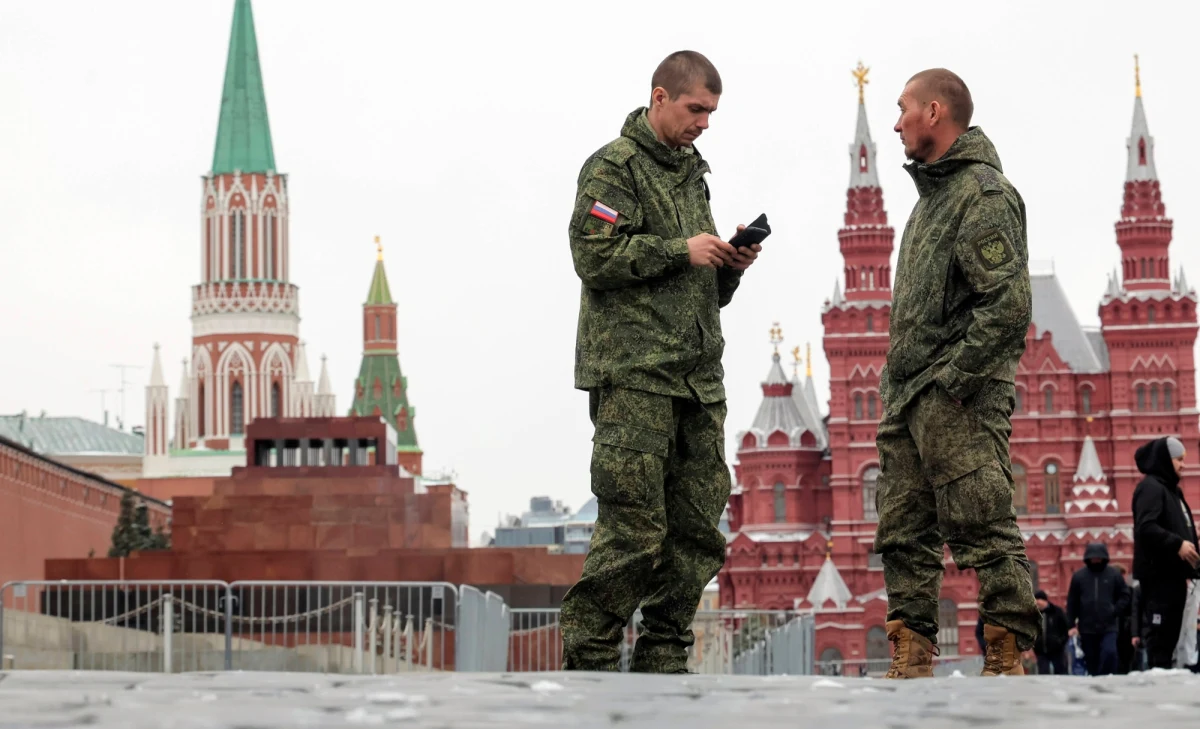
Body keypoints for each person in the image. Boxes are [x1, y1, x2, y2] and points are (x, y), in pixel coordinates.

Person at [559, 50, 761, 673]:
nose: (704, 122)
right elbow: (593, 255)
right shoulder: (613, 168)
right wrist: (681, 250)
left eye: (712, 113)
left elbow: (693, 285)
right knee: (633, 532)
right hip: (636, 379)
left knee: (699, 530)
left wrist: (725, 269)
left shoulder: (692, 173)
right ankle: (589, 661)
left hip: (698, 382)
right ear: (659, 98)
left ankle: (665, 660)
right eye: (696, 109)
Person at [873, 68, 1038, 678]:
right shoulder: (931, 201)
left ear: (935, 113)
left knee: (982, 519)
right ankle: (910, 654)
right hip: (909, 397)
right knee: (904, 531)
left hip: (956, 396)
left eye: (904, 109)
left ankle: (1004, 651)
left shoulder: (982, 194)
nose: (896, 122)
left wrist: (954, 382)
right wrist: (907, 390)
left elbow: (1008, 304)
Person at [1131, 436, 1199, 669]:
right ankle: (1157, 689)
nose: (1183, 464)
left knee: (1171, 639)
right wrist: (1177, 544)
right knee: (1160, 640)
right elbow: (1146, 527)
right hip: (1159, 577)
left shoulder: (1171, 491)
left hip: (1174, 577)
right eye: (1178, 459)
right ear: (1164, 460)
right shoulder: (1150, 487)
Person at [1065, 542, 1131, 676]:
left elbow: (1125, 595)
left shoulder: (1113, 575)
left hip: (1109, 625)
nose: (1096, 560)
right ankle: (1096, 684)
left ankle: (1107, 678)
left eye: (1098, 557)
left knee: (1110, 653)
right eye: (1093, 557)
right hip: (1087, 627)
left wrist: (1115, 610)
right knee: (1091, 660)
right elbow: (1072, 602)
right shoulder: (1079, 576)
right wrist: (1071, 624)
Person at [1032, 590, 1070, 675]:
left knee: (1061, 674)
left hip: (1057, 651)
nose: (1036, 602)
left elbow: (1065, 629)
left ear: (1045, 600)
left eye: (1038, 600)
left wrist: (1060, 643)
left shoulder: (1057, 612)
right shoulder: (1034, 615)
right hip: (1040, 651)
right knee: (1043, 675)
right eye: (1035, 600)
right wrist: (1034, 644)